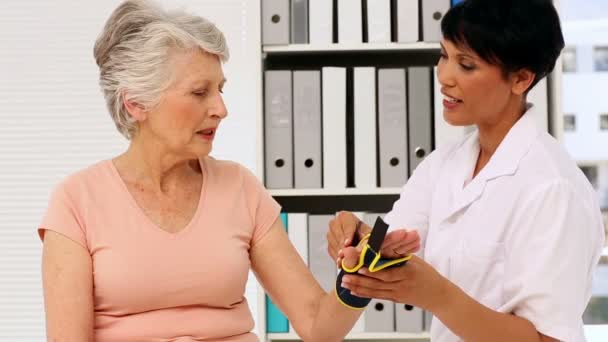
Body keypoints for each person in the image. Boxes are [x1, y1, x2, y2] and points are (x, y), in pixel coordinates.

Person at [38, 1, 419, 340]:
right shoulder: (77, 201)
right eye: (200, 92)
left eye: (221, 89)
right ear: (136, 103)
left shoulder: (240, 187)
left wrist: (360, 278)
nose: (221, 108)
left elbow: (318, 326)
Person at [327, 0, 606, 341]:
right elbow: (395, 245)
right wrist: (363, 243)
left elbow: (548, 338)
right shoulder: (444, 163)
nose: (444, 77)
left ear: (520, 79)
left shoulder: (554, 188)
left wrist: (438, 296)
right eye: (444, 55)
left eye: (467, 65)